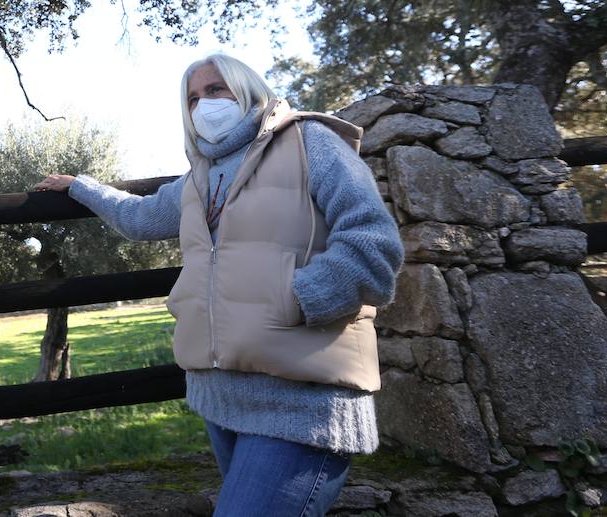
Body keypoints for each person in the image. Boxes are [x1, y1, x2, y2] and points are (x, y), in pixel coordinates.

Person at [35, 53, 403, 517]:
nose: (202, 104)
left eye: (214, 90)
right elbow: (138, 217)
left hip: (303, 403)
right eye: (191, 98)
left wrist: (298, 300)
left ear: (246, 89)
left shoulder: (312, 143)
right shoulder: (198, 178)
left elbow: (374, 243)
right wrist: (80, 187)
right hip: (221, 400)